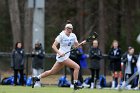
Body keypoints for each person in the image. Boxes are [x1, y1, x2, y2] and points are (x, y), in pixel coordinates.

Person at [32, 22, 86, 90]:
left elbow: (76, 46)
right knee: (77, 67)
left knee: (52, 72)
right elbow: (53, 46)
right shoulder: (61, 35)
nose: (70, 30)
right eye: (68, 28)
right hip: (62, 56)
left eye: (71, 29)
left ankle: (36, 78)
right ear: (65, 28)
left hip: (65, 56)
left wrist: (82, 43)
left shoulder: (73, 35)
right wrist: (60, 53)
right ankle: (75, 84)